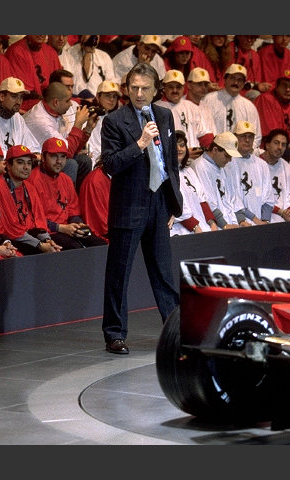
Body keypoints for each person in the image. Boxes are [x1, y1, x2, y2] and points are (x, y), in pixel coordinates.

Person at [100, 62, 183, 355]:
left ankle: (176, 330)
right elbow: (110, 164)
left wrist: (174, 202)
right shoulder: (114, 121)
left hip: (159, 202)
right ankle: (114, 334)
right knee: (119, 273)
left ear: (155, 90)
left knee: (163, 272)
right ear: (126, 89)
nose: (138, 93)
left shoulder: (165, 115)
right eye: (133, 88)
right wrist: (140, 142)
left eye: (144, 88)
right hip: (129, 204)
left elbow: (171, 162)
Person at [28, 137, 107, 249]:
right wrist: (61, 228)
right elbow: (33, 220)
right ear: (43, 157)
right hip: (50, 232)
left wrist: (78, 224)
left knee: (99, 243)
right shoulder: (32, 181)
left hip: (68, 228)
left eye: (63, 157)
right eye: (54, 156)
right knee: (76, 250)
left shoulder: (66, 179)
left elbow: (73, 211)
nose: (59, 161)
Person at [0, 144, 62, 256]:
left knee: (61, 247)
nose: (26, 167)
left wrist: (47, 240)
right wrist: (40, 245)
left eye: (29, 163)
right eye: (20, 162)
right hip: (8, 239)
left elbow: (39, 219)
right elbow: (10, 229)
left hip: (28, 234)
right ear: (8, 165)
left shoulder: (29, 187)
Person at [23, 81, 99, 189]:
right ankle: (64, 201)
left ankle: (77, 199)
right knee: (70, 164)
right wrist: (78, 124)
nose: (71, 104)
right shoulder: (40, 120)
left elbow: (73, 148)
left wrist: (87, 130)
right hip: (35, 162)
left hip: (51, 158)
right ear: (56, 102)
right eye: (68, 101)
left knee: (84, 160)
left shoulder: (55, 113)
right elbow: (67, 153)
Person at [0, 77, 42, 178]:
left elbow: (35, 150)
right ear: (1, 96)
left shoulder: (17, 117)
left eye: (21, 97)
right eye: (14, 96)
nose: (19, 101)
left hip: (16, 169)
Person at [200, 64, 262, 150]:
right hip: (214, 152)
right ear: (225, 79)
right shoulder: (209, 100)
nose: (236, 83)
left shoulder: (249, 106)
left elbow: (256, 136)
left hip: (240, 154)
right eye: (232, 78)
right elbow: (202, 127)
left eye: (239, 80)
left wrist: (245, 151)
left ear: (244, 83)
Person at [225, 120, 274, 226]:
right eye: (243, 136)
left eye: (250, 137)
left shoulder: (261, 164)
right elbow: (232, 198)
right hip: (238, 221)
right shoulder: (227, 162)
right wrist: (254, 219)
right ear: (234, 137)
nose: (247, 140)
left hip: (261, 222)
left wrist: (265, 221)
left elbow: (269, 196)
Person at [192, 131, 243, 229]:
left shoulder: (223, 165)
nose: (230, 160)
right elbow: (208, 201)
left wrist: (240, 220)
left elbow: (232, 197)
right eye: (227, 156)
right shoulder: (199, 166)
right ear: (215, 150)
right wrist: (224, 225)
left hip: (230, 223)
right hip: (213, 226)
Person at [154, 69, 214, 155]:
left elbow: (205, 136)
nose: (175, 90)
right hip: (170, 160)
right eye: (171, 87)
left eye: (178, 87)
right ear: (164, 88)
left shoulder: (192, 107)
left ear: (183, 88)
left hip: (194, 160)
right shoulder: (155, 108)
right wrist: (184, 153)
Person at [171, 130, 218, 235]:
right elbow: (177, 206)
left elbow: (201, 199)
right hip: (181, 229)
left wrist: (212, 223)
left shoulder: (189, 171)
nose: (179, 149)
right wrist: (195, 227)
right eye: (175, 146)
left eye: (182, 145)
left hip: (200, 226)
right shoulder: (167, 174)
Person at [254, 69, 290, 159]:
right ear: (276, 86)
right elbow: (270, 133)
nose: (288, 90)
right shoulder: (265, 99)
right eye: (284, 85)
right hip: (271, 147)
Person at [5, 35, 62, 112]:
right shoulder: (16, 51)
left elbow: (60, 85)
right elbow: (24, 92)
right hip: (25, 105)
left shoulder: (51, 52)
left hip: (49, 102)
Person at [259, 128, 290, 223]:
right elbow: (257, 198)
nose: (280, 147)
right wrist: (281, 212)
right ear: (267, 145)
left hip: (285, 212)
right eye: (276, 143)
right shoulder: (256, 165)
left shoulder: (286, 167)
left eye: (283, 145)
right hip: (265, 212)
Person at [61, 35, 118, 99]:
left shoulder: (104, 57)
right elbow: (64, 83)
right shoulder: (68, 53)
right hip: (75, 99)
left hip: (97, 101)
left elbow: (111, 83)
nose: (92, 38)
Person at [84, 80, 123, 170]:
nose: (112, 100)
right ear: (98, 96)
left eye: (114, 96)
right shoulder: (88, 115)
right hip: (94, 160)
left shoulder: (117, 118)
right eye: (107, 96)